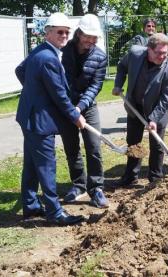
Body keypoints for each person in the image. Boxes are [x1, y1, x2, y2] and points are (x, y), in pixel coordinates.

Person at [14, 12, 86, 226]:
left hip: (29, 117)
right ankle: (55, 212)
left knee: (32, 164)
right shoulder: (48, 58)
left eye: (66, 32)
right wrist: (76, 116)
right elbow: (59, 95)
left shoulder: (41, 51)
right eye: (59, 32)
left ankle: (31, 205)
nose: (64, 35)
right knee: (46, 165)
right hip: (39, 121)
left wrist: (35, 90)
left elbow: (20, 70)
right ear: (48, 33)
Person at [111, 33, 168, 186]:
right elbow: (122, 66)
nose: (162, 56)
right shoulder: (135, 54)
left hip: (157, 110)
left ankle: (155, 178)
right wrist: (118, 84)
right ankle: (131, 176)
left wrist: (154, 119)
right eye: (158, 53)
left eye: (165, 53)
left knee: (157, 145)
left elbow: (165, 99)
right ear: (149, 49)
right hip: (134, 107)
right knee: (134, 143)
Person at [60, 14, 108, 208]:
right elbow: (62, 81)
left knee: (93, 146)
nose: (91, 40)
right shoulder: (64, 51)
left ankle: (96, 188)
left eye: (94, 37)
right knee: (71, 147)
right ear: (79, 33)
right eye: (87, 36)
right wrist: (70, 108)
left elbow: (95, 86)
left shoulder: (100, 56)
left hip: (87, 106)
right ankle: (78, 185)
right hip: (65, 105)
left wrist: (80, 108)